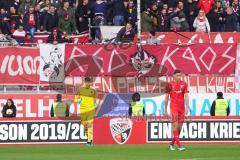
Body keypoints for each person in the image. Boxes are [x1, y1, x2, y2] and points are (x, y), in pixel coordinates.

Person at [164, 69, 189, 151]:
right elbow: (166, 97)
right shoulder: (169, 84)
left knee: (179, 128)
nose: (179, 77)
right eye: (177, 75)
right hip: (173, 107)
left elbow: (186, 96)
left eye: (180, 75)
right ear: (174, 76)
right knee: (175, 126)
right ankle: (179, 145)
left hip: (182, 108)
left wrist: (187, 107)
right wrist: (165, 109)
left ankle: (171, 144)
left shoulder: (184, 84)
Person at [74, 77, 98, 146]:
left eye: (90, 82)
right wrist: (78, 101)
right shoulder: (80, 89)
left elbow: (96, 97)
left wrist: (95, 103)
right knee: (85, 125)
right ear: (85, 82)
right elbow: (76, 98)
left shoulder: (93, 90)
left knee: (89, 124)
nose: (89, 83)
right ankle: (89, 138)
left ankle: (89, 141)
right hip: (83, 110)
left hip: (91, 109)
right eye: (87, 82)